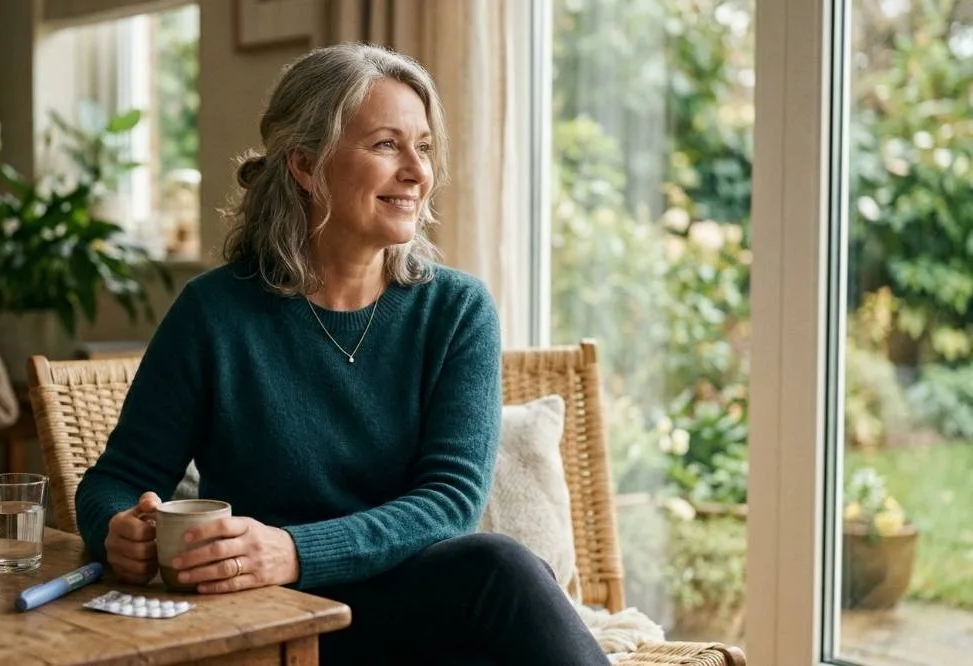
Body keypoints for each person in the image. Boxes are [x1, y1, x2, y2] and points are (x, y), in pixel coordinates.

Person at [75, 43, 610, 665]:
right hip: (270, 621)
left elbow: (450, 503)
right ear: (306, 164)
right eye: (387, 145)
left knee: (498, 566)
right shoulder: (213, 314)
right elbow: (116, 480)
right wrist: (119, 530)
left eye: (425, 147)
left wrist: (293, 549)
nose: (417, 170)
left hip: (409, 609)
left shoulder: (457, 310)